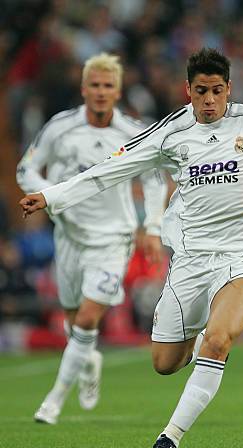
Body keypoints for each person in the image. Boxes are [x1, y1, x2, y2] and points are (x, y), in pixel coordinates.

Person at [20, 48, 243, 448]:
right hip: (190, 262)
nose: (208, 100)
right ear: (188, 90)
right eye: (200, 91)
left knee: (218, 341)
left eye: (216, 91)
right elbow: (107, 170)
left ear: (228, 89)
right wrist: (51, 195)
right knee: (165, 362)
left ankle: (171, 436)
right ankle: (206, 329)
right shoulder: (170, 132)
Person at [16, 53, 167, 425]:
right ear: (84, 89)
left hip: (113, 239)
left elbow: (154, 177)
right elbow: (26, 169)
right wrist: (52, 194)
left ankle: (53, 400)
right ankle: (88, 359)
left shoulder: (133, 133)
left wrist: (153, 228)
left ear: (118, 91)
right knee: (74, 322)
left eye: (108, 86)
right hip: (68, 235)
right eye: (95, 85)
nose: (101, 92)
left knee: (86, 320)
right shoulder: (60, 127)